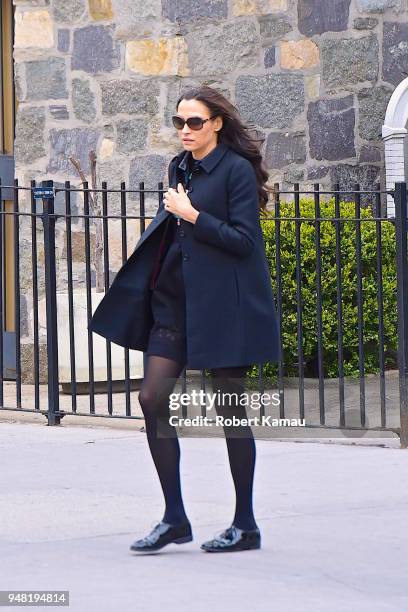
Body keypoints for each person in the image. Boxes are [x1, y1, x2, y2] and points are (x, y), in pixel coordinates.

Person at [89, 84, 281, 553]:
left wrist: (193, 214)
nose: (185, 131)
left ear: (216, 123)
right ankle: (175, 518)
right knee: (153, 399)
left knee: (231, 415)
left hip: (223, 309)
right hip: (174, 303)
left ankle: (245, 524)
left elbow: (243, 242)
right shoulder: (180, 167)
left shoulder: (234, 171)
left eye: (194, 122)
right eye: (179, 122)